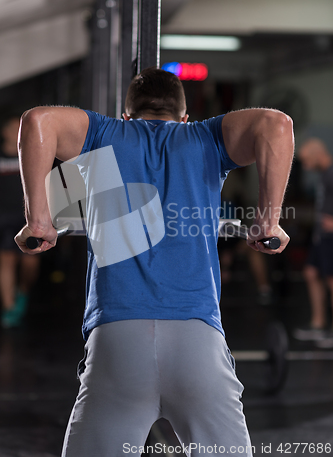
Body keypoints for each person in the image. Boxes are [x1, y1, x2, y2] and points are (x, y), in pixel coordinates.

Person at [15, 68, 293, 457]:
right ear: (184, 117)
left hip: (117, 340)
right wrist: (270, 220)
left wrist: (39, 221)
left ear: (127, 116)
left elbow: (37, 121)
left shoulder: (103, 135)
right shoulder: (204, 137)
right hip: (198, 341)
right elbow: (276, 124)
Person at [0, 115, 40, 328]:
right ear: (4, 132)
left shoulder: (33, 154)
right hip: (3, 218)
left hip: (29, 218)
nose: (18, 133)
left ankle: (22, 293)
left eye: (21, 129)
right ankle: (8, 308)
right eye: (14, 128)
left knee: (30, 263)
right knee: (6, 261)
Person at [294, 138, 333, 348]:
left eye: (307, 161)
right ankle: (318, 324)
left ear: (318, 155)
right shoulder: (324, 175)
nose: (306, 167)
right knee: (310, 272)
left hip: (330, 236)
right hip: (322, 237)